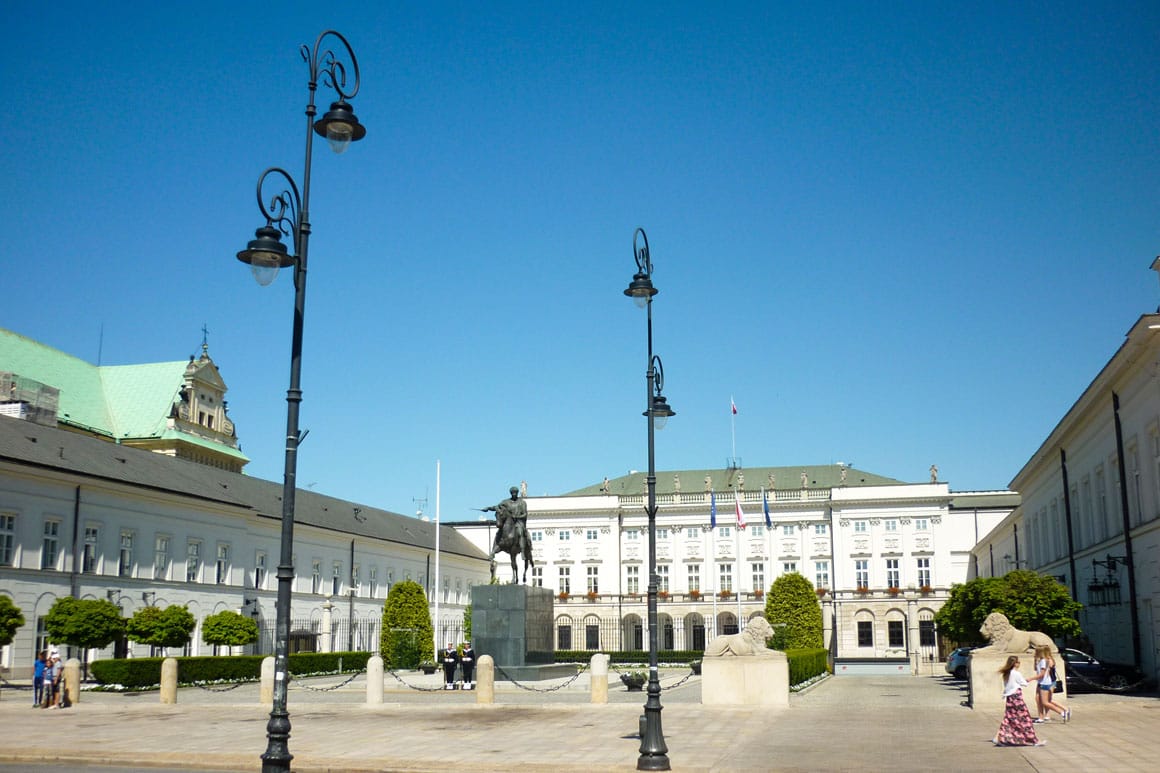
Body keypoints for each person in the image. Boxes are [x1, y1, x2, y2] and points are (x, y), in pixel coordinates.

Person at [992, 655, 1044, 747]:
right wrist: (1029, 680)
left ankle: (1000, 738)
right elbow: (1023, 683)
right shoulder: (1016, 673)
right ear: (1014, 664)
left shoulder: (1007, 673)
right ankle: (1033, 740)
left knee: (1009, 718)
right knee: (1024, 718)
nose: (1019, 664)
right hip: (1016, 697)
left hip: (1009, 697)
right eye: (1018, 662)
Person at [484, 486, 528, 558]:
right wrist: (488, 508)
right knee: (498, 533)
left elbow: (525, 514)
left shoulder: (522, 502)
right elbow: (497, 507)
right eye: (512, 493)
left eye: (515, 492)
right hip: (508, 522)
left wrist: (516, 517)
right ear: (510, 493)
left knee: (520, 532)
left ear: (517, 493)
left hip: (518, 522)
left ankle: (523, 551)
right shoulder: (506, 502)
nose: (514, 494)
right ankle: (493, 551)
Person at [1032, 644, 1070, 723]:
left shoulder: (1046, 661)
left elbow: (1043, 674)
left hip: (1046, 682)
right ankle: (1041, 717)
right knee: (1038, 699)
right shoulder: (1041, 660)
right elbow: (1036, 669)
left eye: (1037, 651)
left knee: (1046, 702)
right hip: (1041, 682)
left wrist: (1030, 679)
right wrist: (1035, 660)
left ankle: (1063, 712)